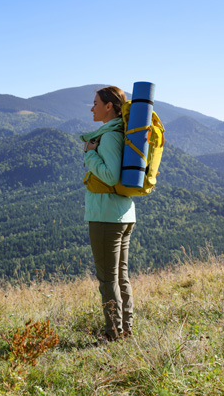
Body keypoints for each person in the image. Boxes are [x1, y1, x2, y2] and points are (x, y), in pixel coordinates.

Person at [80, 86, 135, 342]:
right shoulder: (116, 133)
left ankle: (113, 334)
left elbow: (111, 175)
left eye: (95, 103)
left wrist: (90, 155)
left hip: (106, 216)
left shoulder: (110, 136)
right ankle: (125, 329)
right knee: (120, 276)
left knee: (107, 279)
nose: (92, 108)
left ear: (108, 106)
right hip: (122, 213)